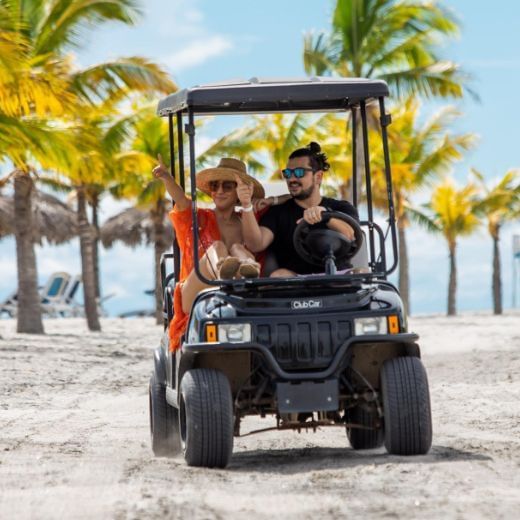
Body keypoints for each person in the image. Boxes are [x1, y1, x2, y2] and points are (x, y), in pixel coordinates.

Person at [153, 155, 279, 351]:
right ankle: (224, 271)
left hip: (238, 293)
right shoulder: (198, 218)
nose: (219, 191)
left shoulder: (247, 220)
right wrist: (167, 178)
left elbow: (287, 202)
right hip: (197, 293)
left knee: (238, 249)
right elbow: (180, 199)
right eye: (215, 186)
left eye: (227, 186)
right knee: (218, 247)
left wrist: (269, 199)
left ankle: (247, 269)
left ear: (239, 191)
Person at [239, 142, 359, 276]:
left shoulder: (342, 207)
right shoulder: (277, 212)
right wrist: (246, 205)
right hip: (295, 282)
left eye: (299, 172)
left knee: (361, 272)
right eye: (288, 173)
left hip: (339, 277)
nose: (292, 178)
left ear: (318, 177)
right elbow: (256, 244)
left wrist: (326, 215)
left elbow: (351, 234)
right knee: (279, 275)